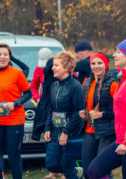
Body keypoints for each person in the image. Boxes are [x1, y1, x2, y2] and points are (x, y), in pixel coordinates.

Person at [87, 39, 126, 179]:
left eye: (118, 52)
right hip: (123, 140)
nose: (114, 55)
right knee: (93, 171)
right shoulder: (125, 78)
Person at [0, 43, 32, 179]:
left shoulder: (17, 73)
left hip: (14, 120)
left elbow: (28, 94)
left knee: (13, 155)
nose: (2, 57)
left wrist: (15, 103)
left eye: (5, 54)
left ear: (9, 57)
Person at [44, 51, 85, 179]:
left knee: (67, 168)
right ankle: (76, 170)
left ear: (66, 68)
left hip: (71, 135)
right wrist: (47, 128)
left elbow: (78, 113)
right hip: (55, 133)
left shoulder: (76, 87)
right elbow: (51, 109)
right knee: (51, 164)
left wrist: (66, 132)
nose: (52, 68)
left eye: (56, 65)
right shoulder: (53, 86)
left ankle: (73, 172)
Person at [80, 52, 118, 179]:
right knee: (87, 171)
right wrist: (84, 113)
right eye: (93, 63)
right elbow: (88, 105)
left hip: (107, 131)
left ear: (106, 65)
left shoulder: (113, 83)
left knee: (100, 170)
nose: (96, 66)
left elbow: (121, 110)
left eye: (99, 63)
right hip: (90, 130)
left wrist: (101, 114)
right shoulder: (88, 83)